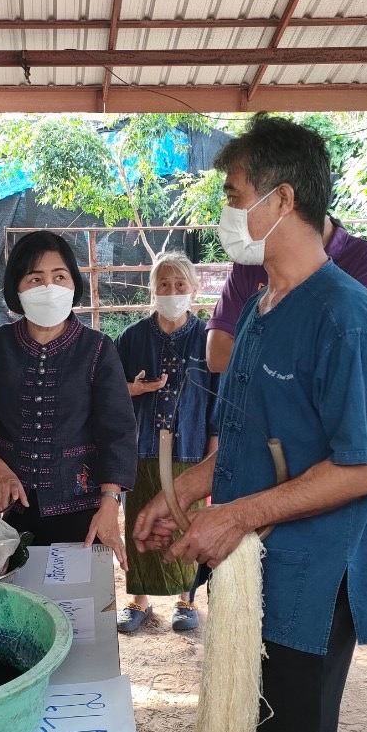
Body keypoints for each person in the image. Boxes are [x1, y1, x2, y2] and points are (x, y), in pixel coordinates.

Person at [134, 115, 367, 732]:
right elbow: (247, 435)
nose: (224, 211)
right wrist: (187, 488)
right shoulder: (259, 303)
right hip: (263, 572)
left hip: (315, 583)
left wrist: (239, 514)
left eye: (233, 193)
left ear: (282, 200)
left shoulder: (345, 316)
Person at [0, 231, 136, 561]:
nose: (48, 287)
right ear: (17, 288)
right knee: (8, 606)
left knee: (73, 605)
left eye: (59, 276)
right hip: (5, 510)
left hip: (80, 510)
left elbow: (118, 434)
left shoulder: (97, 350)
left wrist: (111, 502)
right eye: (34, 278)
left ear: (73, 284)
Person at [115, 252, 219, 633]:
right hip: (140, 448)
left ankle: (186, 599)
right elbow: (107, 393)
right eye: (163, 285)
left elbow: (217, 404)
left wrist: (212, 460)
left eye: (179, 285)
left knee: (184, 522)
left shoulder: (210, 339)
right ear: (152, 290)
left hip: (190, 451)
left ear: (193, 289)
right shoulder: (131, 338)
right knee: (139, 520)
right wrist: (134, 389)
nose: (171, 292)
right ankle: (138, 602)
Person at [205, 212, 367, 373]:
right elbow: (217, 353)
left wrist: (251, 352)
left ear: (284, 199)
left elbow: (349, 361)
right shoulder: (251, 262)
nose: (231, 211)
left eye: (235, 197)